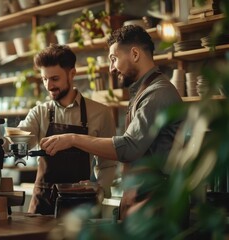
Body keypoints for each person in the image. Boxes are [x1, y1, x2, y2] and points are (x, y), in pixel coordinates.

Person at [39, 25, 183, 219]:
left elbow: (129, 147)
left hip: (158, 210)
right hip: (144, 205)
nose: (111, 68)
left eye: (114, 59)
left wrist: (73, 139)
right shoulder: (143, 92)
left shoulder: (157, 93)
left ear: (134, 54)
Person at [15, 43, 118, 215]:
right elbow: (23, 139)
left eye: (55, 79)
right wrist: (3, 138)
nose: (48, 86)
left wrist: (99, 189)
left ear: (72, 74)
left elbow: (108, 163)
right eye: (44, 79)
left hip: (83, 207)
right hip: (42, 207)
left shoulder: (100, 113)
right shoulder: (39, 113)